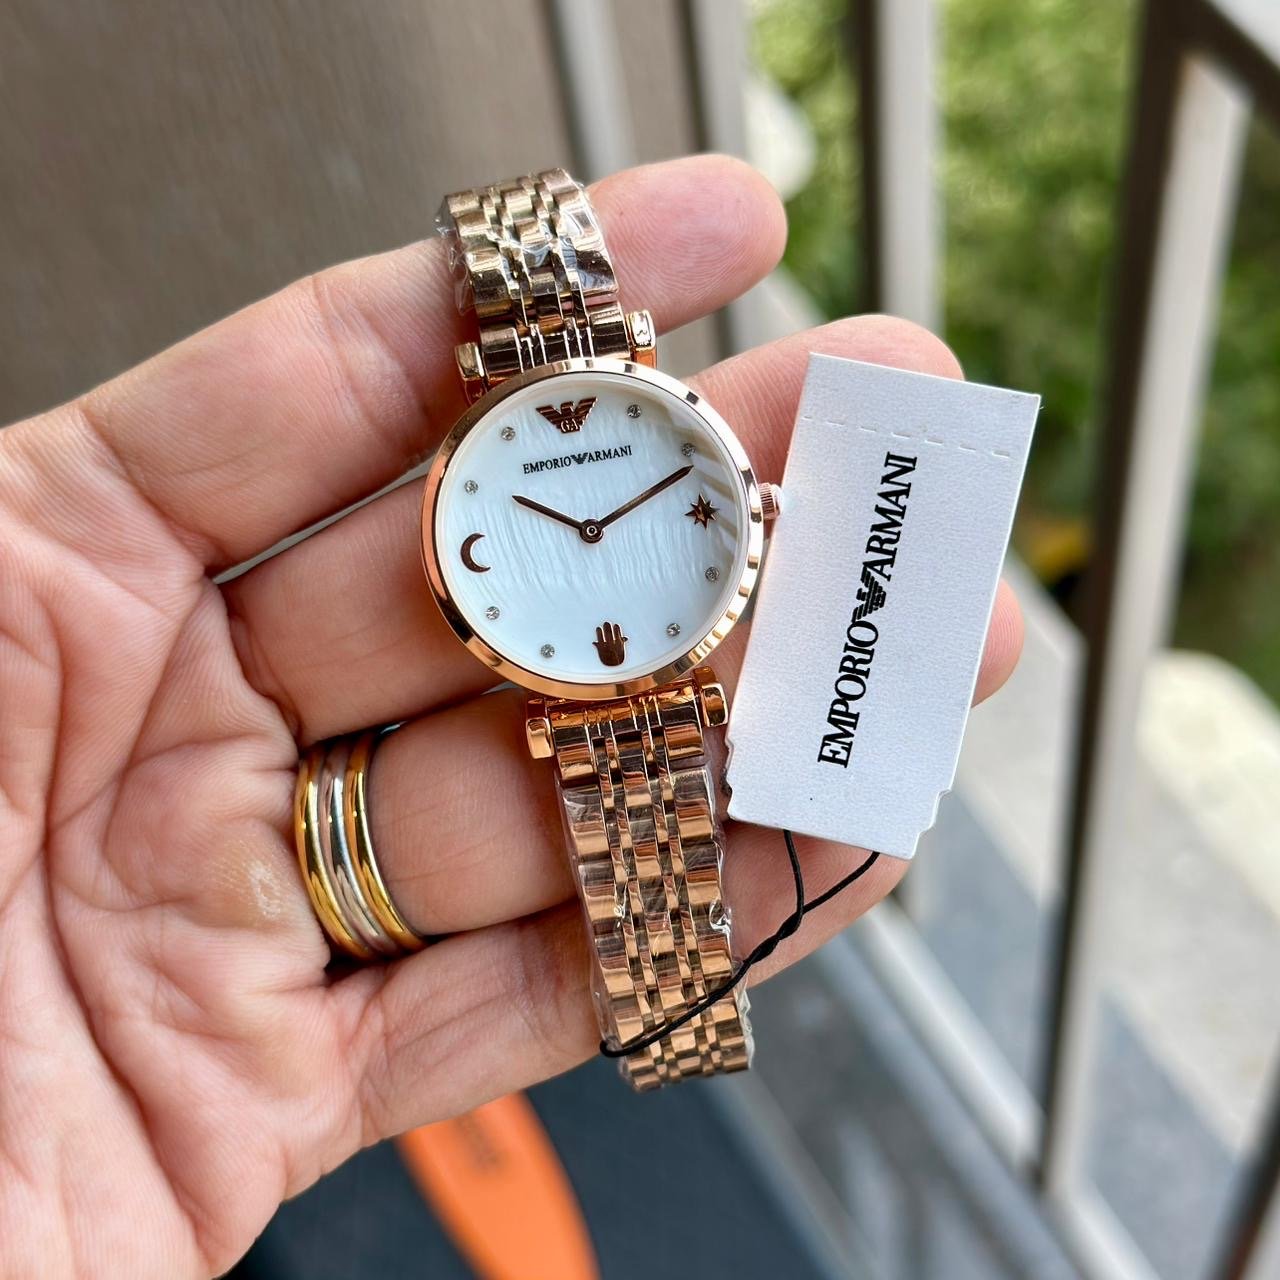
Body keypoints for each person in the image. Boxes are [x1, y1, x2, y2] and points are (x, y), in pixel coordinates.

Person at [0, 155, 1022, 1278]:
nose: (590, 531)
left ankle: (678, 1009)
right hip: (584, 698)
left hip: (650, 677)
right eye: (567, 522)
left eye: (609, 519)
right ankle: (677, 1009)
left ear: (752, 506)